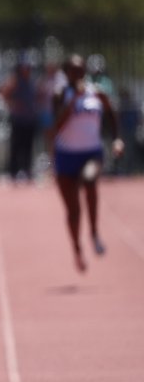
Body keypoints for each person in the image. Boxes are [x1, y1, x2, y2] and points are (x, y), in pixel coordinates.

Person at [49, 55, 124, 272]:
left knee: (90, 180)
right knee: (73, 211)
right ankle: (77, 249)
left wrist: (117, 139)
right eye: (73, 71)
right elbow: (57, 125)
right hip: (66, 155)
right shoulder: (60, 94)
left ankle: (94, 232)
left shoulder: (97, 93)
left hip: (91, 152)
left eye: (81, 70)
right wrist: (73, 101)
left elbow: (111, 115)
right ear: (66, 73)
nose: (78, 74)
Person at [0, 57, 39, 181]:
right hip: (18, 119)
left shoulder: (32, 82)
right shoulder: (15, 81)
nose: (27, 70)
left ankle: (27, 170)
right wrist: (13, 104)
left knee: (28, 146)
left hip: (30, 119)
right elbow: (3, 93)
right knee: (16, 146)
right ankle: (13, 171)